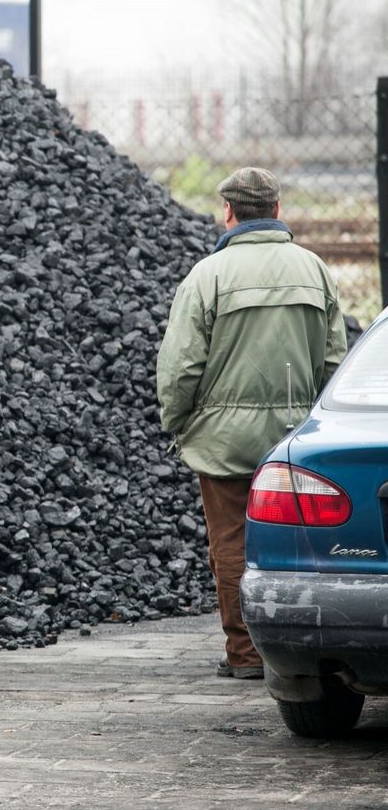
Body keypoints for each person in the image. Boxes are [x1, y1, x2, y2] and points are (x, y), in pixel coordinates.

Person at [156, 167, 346, 680]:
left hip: (223, 440)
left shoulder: (207, 275)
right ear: (278, 211)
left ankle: (244, 654)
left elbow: (180, 366)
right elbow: (335, 360)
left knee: (232, 542)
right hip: (299, 439)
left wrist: (178, 423)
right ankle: (308, 649)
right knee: (304, 542)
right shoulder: (315, 269)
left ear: (228, 212)